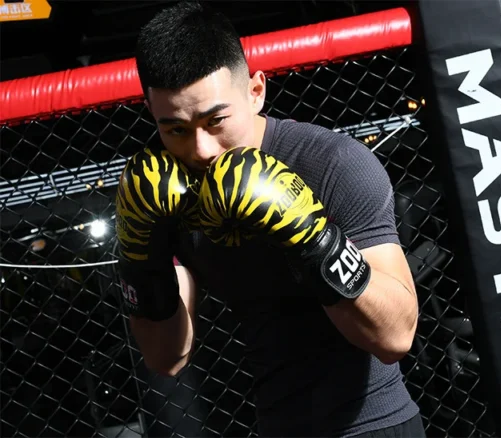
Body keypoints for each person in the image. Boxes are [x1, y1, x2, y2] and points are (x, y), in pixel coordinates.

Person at [115, 1, 424, 437]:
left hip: (374, 425)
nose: (201, 149)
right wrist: (139, 252)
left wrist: (311, 237)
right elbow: (166, 357)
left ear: (256, 91)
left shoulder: (333, 165)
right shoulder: (168, 189)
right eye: (176, 129)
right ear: (152, 113)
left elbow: (395, 338)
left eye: (216, 120)